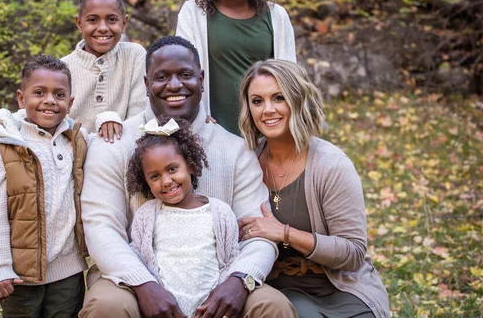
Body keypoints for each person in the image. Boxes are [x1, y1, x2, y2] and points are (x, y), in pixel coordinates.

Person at [79, 36, 297, 318]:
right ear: (146, 83)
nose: (174, 85)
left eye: (185, 75)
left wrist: (239, 279)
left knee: (273, 306)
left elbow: (260, 231)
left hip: (219, 276)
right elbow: (101, 228)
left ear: (202, 79)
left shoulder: (235, 150)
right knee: (107, 306)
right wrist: (144, 284)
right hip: (131, 280)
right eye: (161, 77)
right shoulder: (113, 144)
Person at [236, 59, 389, 318]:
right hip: (277, 290)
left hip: (340, 286)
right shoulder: (243, 161)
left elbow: (352, 252)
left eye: (278, 98)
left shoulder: (331, 164)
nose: (268, 110)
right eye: (257, 101)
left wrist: (284, 232)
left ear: (297, 100)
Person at [0, 54, 88, 317]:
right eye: (39, 92)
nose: (50, 100)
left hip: (67, 270)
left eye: (59, 94)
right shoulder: (7, 149)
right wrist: (0, 268)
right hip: (21, 274)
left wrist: (112, 118)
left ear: (70, 102)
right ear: (21, 98)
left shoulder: (77, 141)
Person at [176, 0, 296, 135]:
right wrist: (197, 118)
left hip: (266, 139)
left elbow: (292, 84)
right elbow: (183, 75)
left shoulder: (276, 16)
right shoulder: (192, 14)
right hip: (212, 137)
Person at [127, 117, 240, 317]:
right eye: (155, 176)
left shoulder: (219, 212)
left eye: (172, 169)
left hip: (210, 311)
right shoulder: (147, 215)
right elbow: (137, 258)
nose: (166, 181)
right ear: (145, 181)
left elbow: (231, 260)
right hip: (165, 311)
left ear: (191, 165)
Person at [62, 0, 147, 141]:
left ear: (124, 23)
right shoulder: (62, 69)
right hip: (74, 157)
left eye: (112, 20)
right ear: (79, 23)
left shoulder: (135, 56)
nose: (102, 28)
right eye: (93, 20)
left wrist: (111, 119)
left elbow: (140, 118)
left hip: (123, 153)